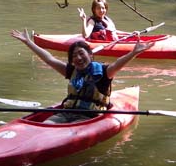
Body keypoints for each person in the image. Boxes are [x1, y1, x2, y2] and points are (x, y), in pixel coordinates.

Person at [11, 28, 154, 123]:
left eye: (81, 53)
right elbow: (49, 59)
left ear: (90, 55)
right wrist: (29, 42)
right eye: (74, 56)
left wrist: (134, 52)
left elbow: (118, 64)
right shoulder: (71, 71)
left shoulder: (104, 73)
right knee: (47, 124)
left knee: (62, 131)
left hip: (89, 118)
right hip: (65, 115)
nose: (78, 58)